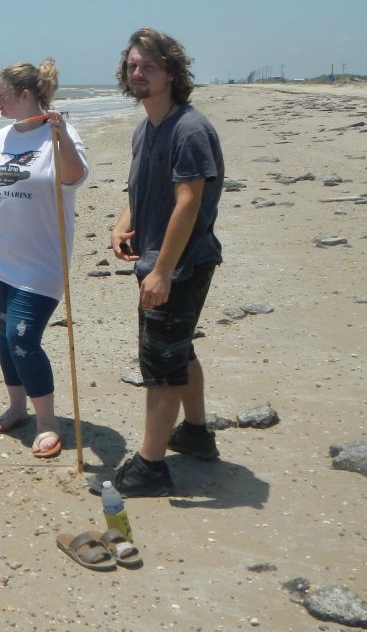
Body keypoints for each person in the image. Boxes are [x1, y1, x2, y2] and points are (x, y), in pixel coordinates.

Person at [0, 59, 89, 459]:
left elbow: (74, 178)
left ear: (26, 95)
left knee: (22, 339)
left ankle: (47, 422)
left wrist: (61, 138)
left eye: (2, 94)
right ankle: (16, 407)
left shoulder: (59, 134)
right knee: (3, 335)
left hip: (41, 262)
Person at [109, 28, 225, 496]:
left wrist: (161, 271)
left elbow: (188, 203)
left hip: (179, 265)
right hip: (161, 261)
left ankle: (151, 467)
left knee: (160, 364)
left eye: (149, 66)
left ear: (173, 72)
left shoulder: (189, 129)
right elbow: (141, 189)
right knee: (179, 349)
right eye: (133, 66)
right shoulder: (146, 128)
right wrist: (122, 224)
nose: (138, 73)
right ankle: (195, 433)